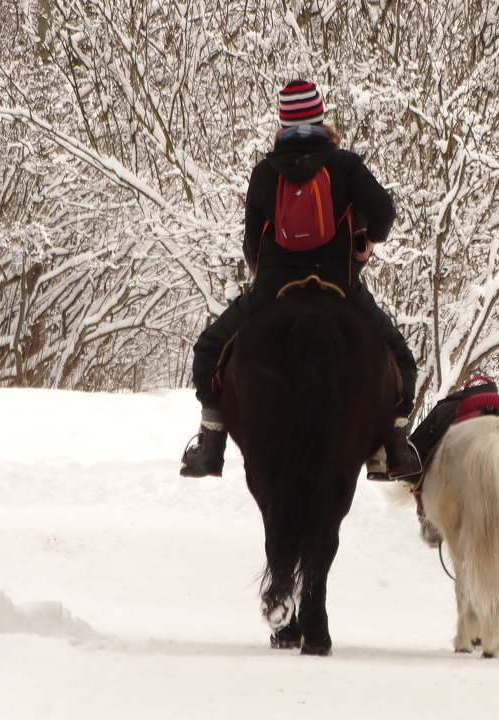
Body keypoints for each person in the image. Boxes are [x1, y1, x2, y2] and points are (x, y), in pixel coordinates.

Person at [180, 79, 420, 481]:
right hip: (339, 287)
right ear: (320, 118)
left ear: (283, 122)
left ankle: (211, 444)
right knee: (400, 359)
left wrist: (271, 274)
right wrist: (364, 243)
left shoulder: (264, 172)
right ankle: (391, 450)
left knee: (209, 349)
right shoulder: (346, 166)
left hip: (274, 290)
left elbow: (252, 246)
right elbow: (383, 216)